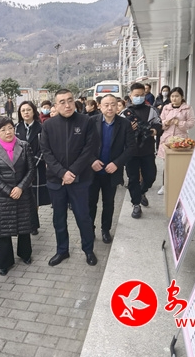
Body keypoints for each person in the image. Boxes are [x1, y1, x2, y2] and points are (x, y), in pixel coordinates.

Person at [40, 89, 98, 267]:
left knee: (83, 217)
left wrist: (72, 172)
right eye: (62, 102)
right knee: (59, 219)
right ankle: (62, 250)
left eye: (70, 100)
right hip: (56, 181)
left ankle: (88, 250)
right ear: (56, 106)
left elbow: (89, 149)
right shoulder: (48, 125)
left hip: (80, 180)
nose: (67, 105)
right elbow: (46, 152)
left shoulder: (86, 121)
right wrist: (61, 173)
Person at [0, 116, 36, 275]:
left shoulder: (24, 146)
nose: (8, 132)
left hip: (23, 193)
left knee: (24, 226)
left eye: (10, 128)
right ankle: (4, 262)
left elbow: (31, 170)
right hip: (2, 197)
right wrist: (8, 190)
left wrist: (20, 187)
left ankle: (25, 254)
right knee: (3, 231)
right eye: (3, 130)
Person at [89, 94, 136, 243]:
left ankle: (105, 230)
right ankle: (89, 229)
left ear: (117, 106)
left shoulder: (125, 124)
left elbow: (131, 148)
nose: (110, 108)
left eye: (113, 104)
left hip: (112, 171)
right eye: (106, 105)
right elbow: (82, 145)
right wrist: (91, 160)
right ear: (100, 106)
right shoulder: (91, 122)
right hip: (93, 171)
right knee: (90, 203)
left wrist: (117, 163)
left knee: (108, 203)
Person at [122, 82, 162, 218]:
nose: (139, 97)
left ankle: (142, 191)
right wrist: (129, 129)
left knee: (150, 176)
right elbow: (119, 131)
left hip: (147, 150)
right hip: (131, 152)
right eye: (136, 95)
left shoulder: (151, 110)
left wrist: (153, 131)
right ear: (130, 96)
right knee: (133, 178)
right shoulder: (124, 113)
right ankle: (136, 204)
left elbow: (159, 123)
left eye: (141, 95)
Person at [15, 101, 51, 234]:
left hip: (37, 167)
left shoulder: (41, 127)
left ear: (33, 111)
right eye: (23, 110)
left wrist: (32, 163)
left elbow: (44, 148)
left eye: (28, 110)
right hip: (20, 168)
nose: (26, 112)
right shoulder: (16, 128)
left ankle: (33, 224)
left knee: (34, 198)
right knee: (23, 196)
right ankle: (25, 222)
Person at [157, 87, 195, 195]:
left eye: (177, 96)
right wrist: (166, 123)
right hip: (167, 139)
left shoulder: (187, 108)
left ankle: (179, 186)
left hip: (181, 140)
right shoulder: (166, 108)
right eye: (172, 96)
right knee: (167, 164)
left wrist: (179, 123)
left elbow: (192, 123)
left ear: (182, 97)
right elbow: (160, 122)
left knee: (179, 164)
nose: (174, 98)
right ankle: (165, 185)